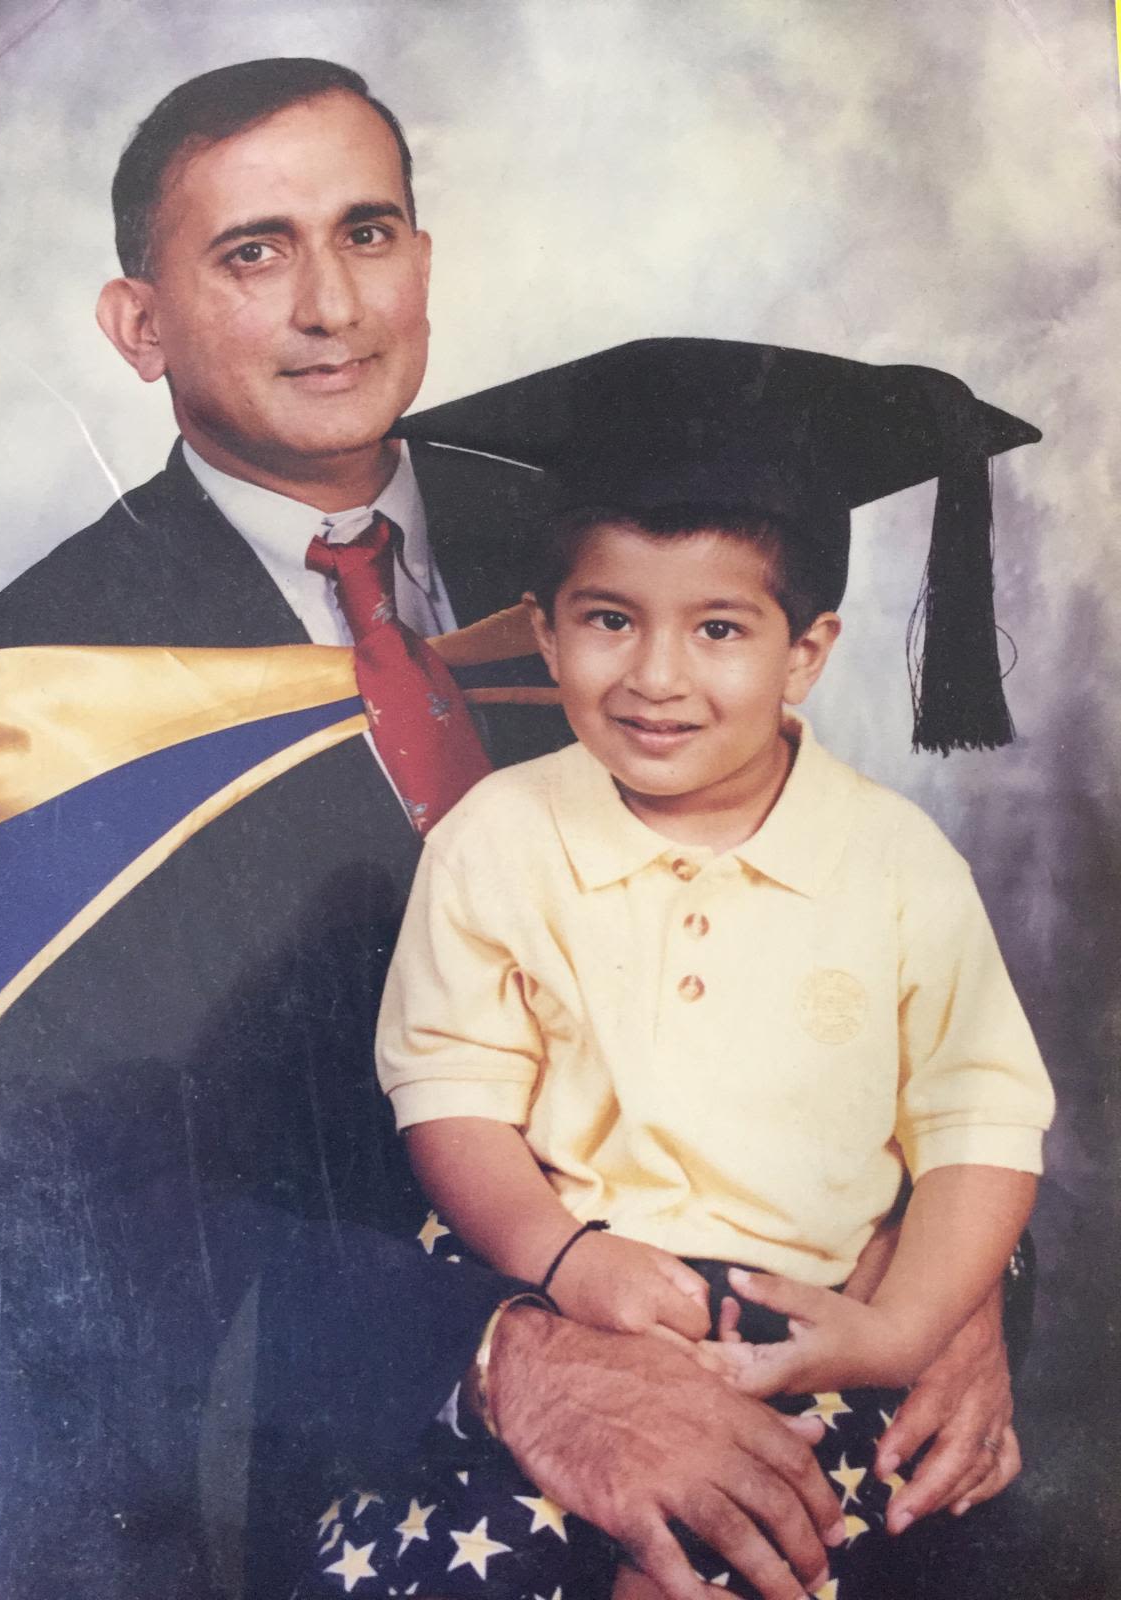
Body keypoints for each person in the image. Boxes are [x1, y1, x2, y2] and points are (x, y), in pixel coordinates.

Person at [0, 61, 1025, 1600]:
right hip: (339, 1452)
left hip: (769, 1355)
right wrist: (505, 1355)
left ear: (425, 265)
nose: (331, 306)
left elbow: (820, 947)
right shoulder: (22, 695)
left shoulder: (611, 549)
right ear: (139, 325)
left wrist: (942, 1287)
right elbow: (56, 1229)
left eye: (367, 234)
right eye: (254, 252)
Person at [312, 340, 1055, 1599]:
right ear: (546, 633)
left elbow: (980, 1125)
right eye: (610, 620)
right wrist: (560, 1257)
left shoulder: (896, 864)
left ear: (806, 653)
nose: (656, 677)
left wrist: (897, 1330)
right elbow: (451, 1096)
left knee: (739, 1566)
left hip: (816, 1327)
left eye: (718, 628)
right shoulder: (497, 839)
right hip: (561, 1289)